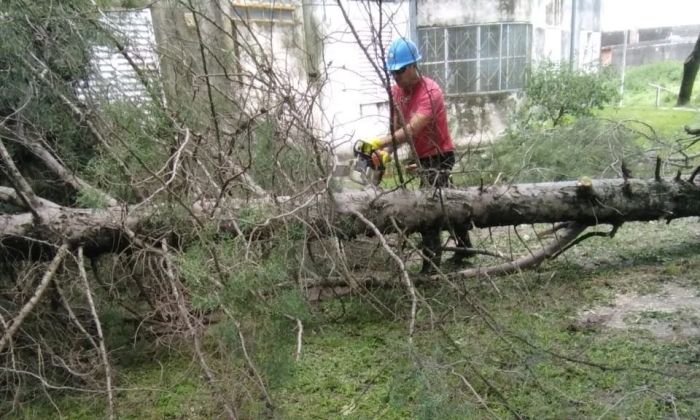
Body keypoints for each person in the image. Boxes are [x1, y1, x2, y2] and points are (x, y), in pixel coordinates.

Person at [364, 37, 472, 274]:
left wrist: (378, 142)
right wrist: (384, 153)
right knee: (448, 202)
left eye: (400, 71)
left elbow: (412, 129)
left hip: (440, 155)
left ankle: (431, 267)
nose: (396, 77)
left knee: (430, 209)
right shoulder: (396, 91)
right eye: (392, 73)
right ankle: (466, 248)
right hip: (422, 156)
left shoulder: (431, 93)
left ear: (413, 66)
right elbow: (396, 129)